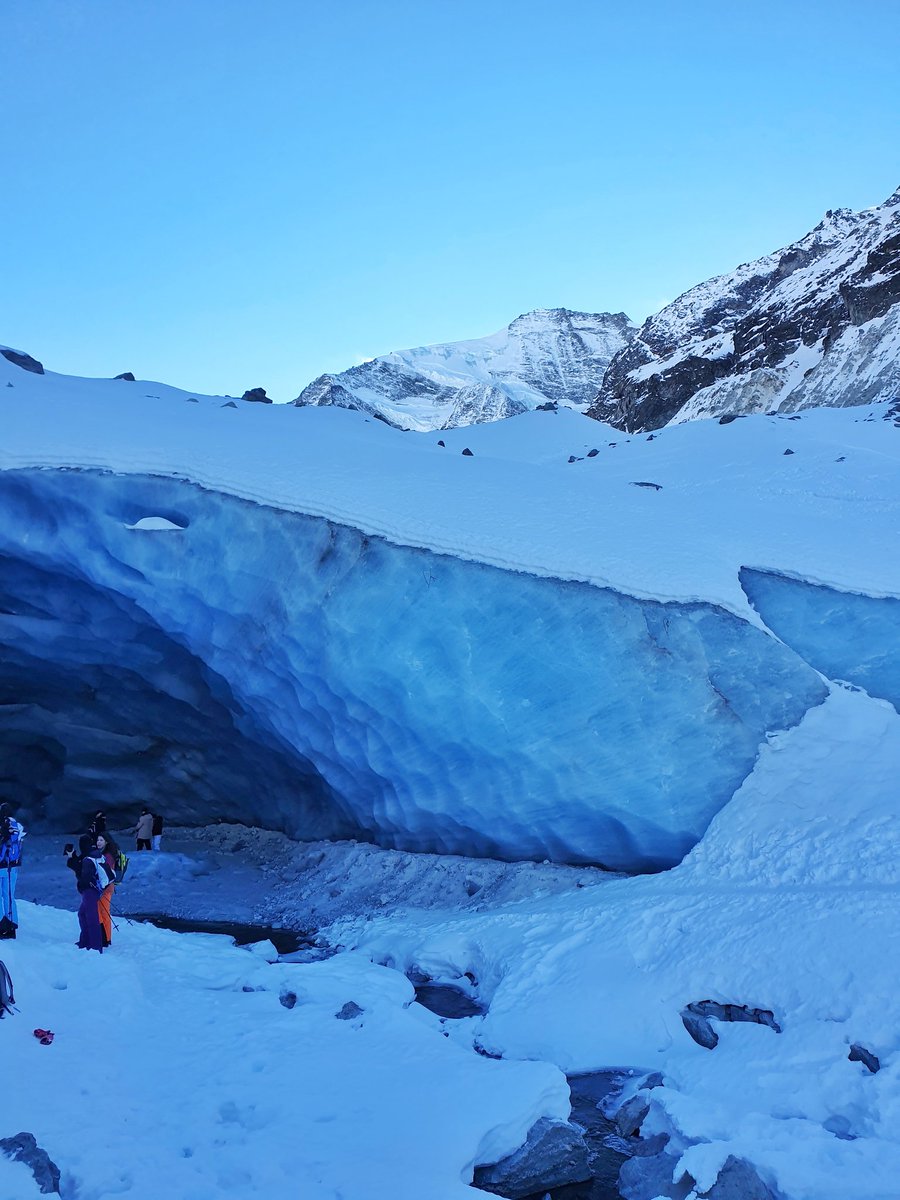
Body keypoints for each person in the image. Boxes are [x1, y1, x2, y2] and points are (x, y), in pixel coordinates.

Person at [75, 836, 108, 952]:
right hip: (96, 889)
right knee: (82, 914)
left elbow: (86, 877)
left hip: (89, 891)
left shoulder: (88, 859)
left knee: (91, 918)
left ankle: (95, 946)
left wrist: (81, 887)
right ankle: (85, 941)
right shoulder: (97, 855)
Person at [0, 802, 25, 940]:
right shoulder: (17, 826)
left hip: (0, 866)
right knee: (9, 896)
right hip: (12, 866)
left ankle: (1, 925)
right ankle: (12, 925)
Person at [94, 833, 119, 947]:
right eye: (97, 840)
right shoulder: (102, 854)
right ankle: (104, 937)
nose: (98, 842)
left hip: (105, 888)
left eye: (101, 840)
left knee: (104, 912)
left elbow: (107, 874)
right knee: (101, 912)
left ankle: (106, 938)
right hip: (103, 888)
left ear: (106, 842)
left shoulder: (107, 856)